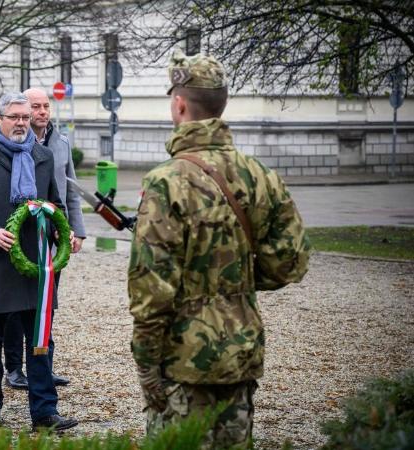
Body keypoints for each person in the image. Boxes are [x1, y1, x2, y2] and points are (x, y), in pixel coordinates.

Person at [128, 49, 310, 447]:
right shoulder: (261, 175)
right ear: (222, 105)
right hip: (241, 352)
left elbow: (151, 289)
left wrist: (146, 367)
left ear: (178, 105)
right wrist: (236, 282)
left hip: (183, 359)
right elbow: (291, 261)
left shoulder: (166, 181)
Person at [0, 92, 78, 431]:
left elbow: (55, 203)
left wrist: (57, 231)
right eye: (14, 117)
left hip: (35, 266)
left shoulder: (43, 155)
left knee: (40, 340)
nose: (22, 122)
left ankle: (44, 412)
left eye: (25, 117)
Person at [1, 88, 86, 391]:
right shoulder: (12, 143)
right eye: (35, 106)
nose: (41, 112)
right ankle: (13, 367)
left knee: (46, 305)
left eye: (45, 106)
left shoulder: (61, 143)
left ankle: (42, 366)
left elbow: (70, 191)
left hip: (52, 237)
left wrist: (76, 231)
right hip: (21, 237)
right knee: (15, 307)